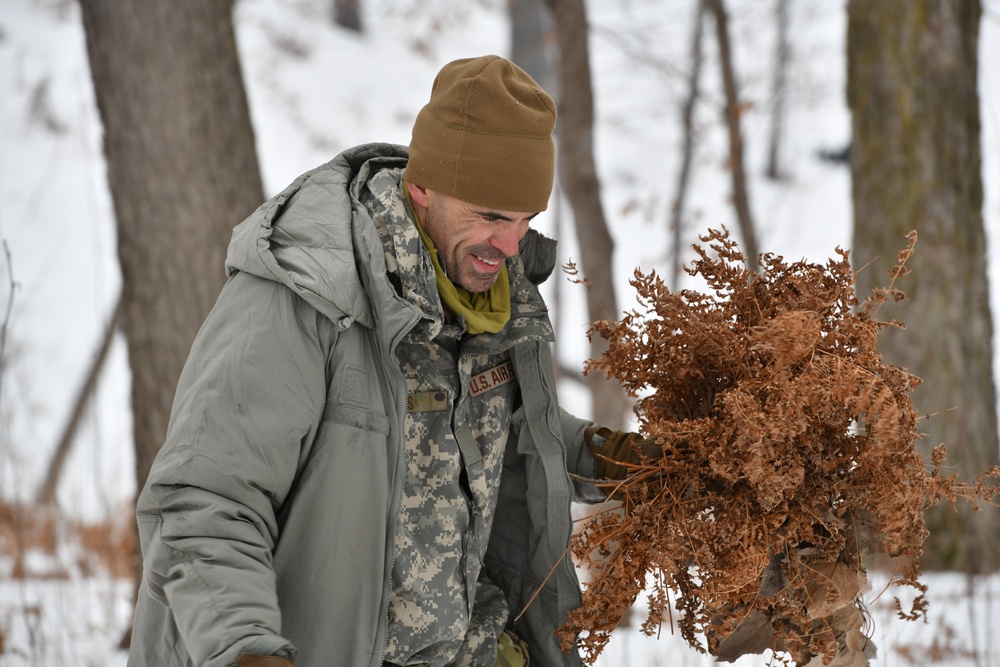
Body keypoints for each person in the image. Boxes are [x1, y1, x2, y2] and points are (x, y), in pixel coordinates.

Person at [126, 55, 636, 667]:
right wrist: (246, 650)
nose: (510, 245)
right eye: (492, 216)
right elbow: (204, 501)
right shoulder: (304, 296)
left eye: (526, 220)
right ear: (422, 188)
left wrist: (607, 459)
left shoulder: (491, 300)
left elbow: (504, 441)